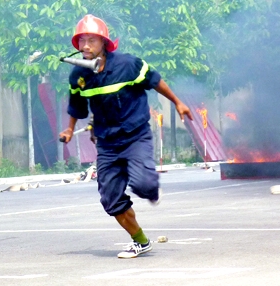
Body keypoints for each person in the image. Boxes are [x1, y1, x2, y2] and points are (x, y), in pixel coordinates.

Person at [59, 14, 193, 259]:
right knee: (110, 198)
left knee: (143, 185)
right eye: (82, 41)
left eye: (92, 40)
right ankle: (140, 241)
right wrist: (69, 129)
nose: (86, 46)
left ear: (104, 43)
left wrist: (178, 102)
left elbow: (155, 81)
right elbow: (76, 107)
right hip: (107, 143)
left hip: (135, 136)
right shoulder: (78, 76)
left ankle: (150, 189)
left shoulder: (128, 64)